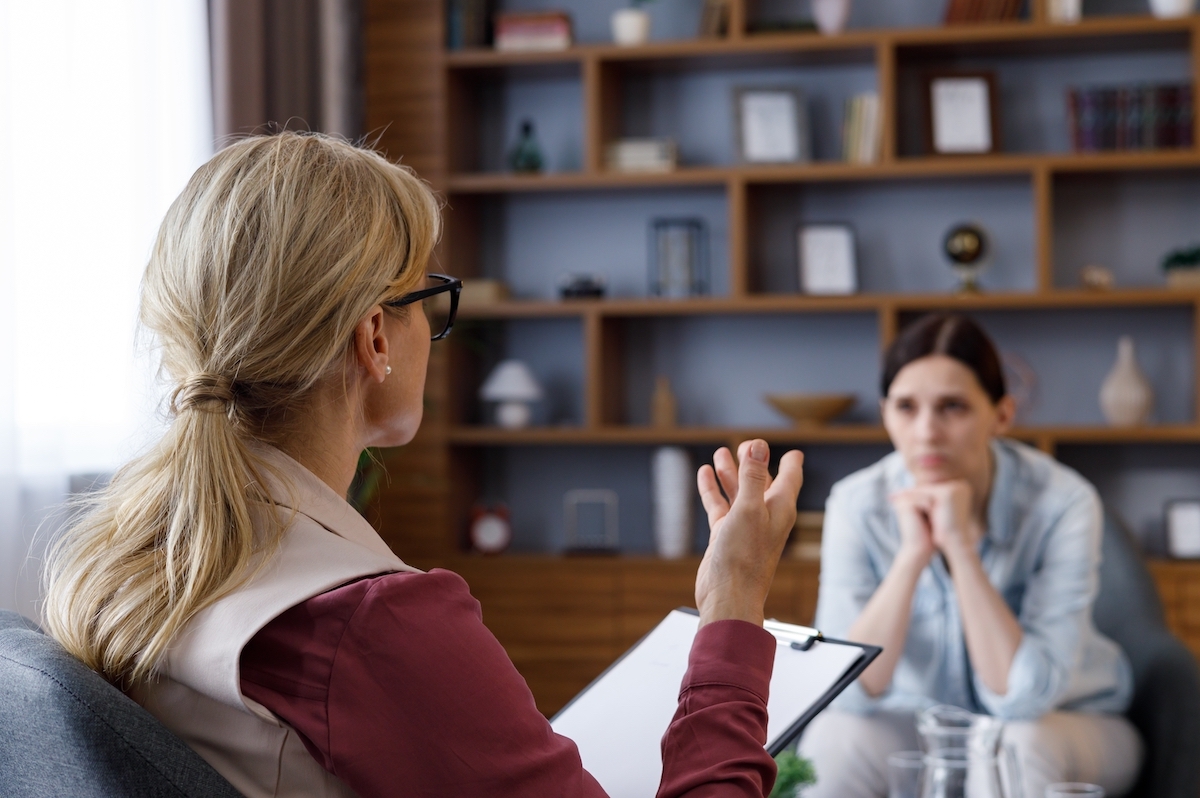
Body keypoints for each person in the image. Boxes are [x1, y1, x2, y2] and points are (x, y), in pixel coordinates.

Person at [41, 132, 806, 798]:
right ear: (375, 338)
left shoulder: (123, 564)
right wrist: (733, 605)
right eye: (428, 298)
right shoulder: (365, 626)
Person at [798, 313, 1141, 798]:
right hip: (920, 724)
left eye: (952, 407)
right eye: (906, 407)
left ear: (1001, 415)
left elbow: (1022, 698)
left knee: (1017, 747)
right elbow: (847, 694)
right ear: (885, 413)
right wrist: (912, 556)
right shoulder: (857, 503)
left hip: (1067, 722)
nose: (926, 432)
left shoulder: (1064, 501)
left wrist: (960, 548)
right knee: (833, 740)